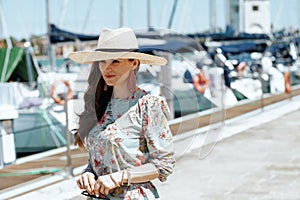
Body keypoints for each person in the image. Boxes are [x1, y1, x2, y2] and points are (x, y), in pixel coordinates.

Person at [68, 27, 175, 200]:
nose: (107, 68)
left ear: (134, 63)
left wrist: (119, 177)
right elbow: (99, 158)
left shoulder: (148, 106)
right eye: (103, 61)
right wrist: (88, 174)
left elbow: (164, 165)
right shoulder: (99, 104)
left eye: (115, 61)